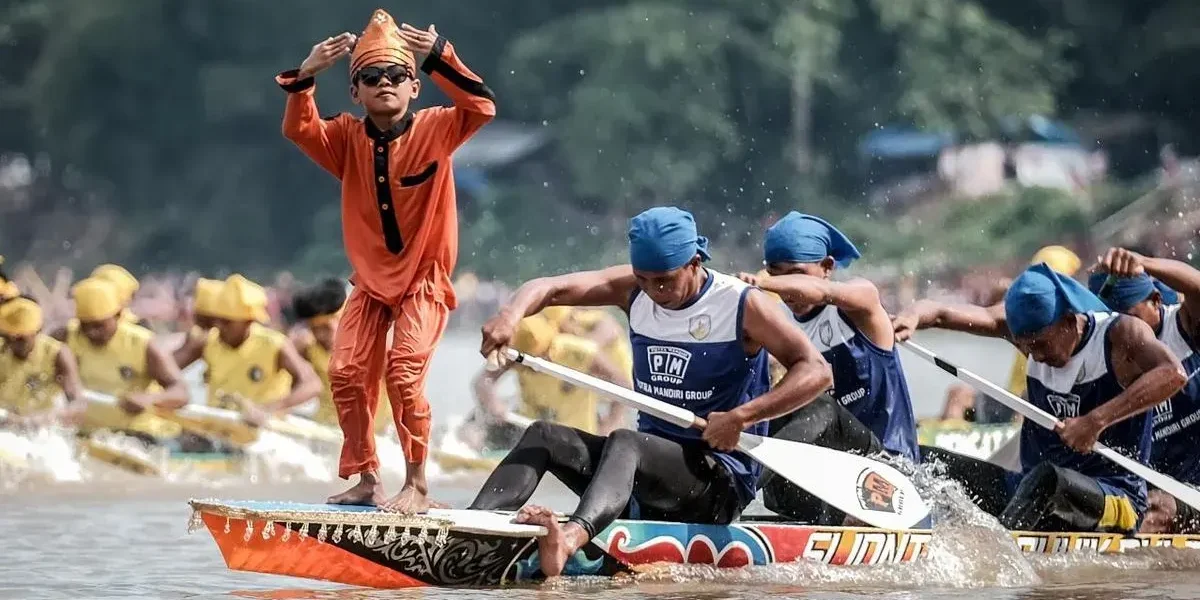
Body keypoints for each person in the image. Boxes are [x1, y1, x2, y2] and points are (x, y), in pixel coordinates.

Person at [469, 206, 833, 577]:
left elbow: (817, 370)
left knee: (627, 440)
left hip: (716, 480)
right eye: (643, 279)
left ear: (694, 262)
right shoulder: (633, 291)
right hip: (643, 474)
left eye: (664, 280)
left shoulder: (740, 304)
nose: (654, 291)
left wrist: (743, 417)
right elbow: (549, 288)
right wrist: (510, 316)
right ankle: (468, 531)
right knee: (543, 435)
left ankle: (570, 539)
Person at [276, 9, 495, 511]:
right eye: (370, 77)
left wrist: (440, 57)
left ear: (414, 87)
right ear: (355, 93)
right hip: (371, 283)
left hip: (425, 280)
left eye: (397, 75)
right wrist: (304, 77)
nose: (385, 84)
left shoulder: (440, 128)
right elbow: (300, 129)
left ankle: (417, 484)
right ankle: (366, 478)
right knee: (347, 372)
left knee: (403, 372)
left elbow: (481, 106)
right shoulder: (346, 139)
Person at [893, 263, 1187, 532]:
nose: (1037, 356)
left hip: (1114, 498)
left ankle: (998, 556)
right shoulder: (1026, 331)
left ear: (1070, 320)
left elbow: (1172, 374)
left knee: (1049, 481)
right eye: (1027, 348)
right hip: (1029, 490)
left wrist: (1095, 421)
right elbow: (942, 313)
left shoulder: (1120, 334)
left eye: (1043, 344)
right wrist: (912, 316)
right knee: (923, 457)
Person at [735, 211, 920, 523]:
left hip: (886, 477)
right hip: (824, 482)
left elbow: (824, 294)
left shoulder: (862, 303)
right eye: (774, 273)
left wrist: (765, 283)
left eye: (794, 274)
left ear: (827, 267)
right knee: (763, 404)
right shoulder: (780, 326)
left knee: (820, 406)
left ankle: (736, 492)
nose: (785, 287)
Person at [1086, 248, 1200, 533]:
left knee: (1156, 509)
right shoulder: (1106, 344)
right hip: (1151, 488)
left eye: (1129, 316)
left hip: (1189, 494)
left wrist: (1145, 263)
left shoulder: (1185, 328)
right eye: (1111, 318)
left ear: (1156, 301)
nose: (1121, 328)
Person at [174, 275, 321, 426]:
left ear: (248, 322)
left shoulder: (274, 344)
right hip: (220, 429)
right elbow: (166, 370)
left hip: (263, 432)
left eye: (227, 322)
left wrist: (269, 409)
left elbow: (312, 384)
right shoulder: (207, 341)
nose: (219, 327)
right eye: (217, 320)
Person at [470, 312, 630, 447]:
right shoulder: (515, 354)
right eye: (525, 363)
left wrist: (609, 428)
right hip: (531, 428)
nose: (530, 367)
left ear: (549, 346)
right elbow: (482, 381)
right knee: (475, 432)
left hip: (577, 436)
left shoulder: (578, 350)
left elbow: (622, 384)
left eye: (538, 358)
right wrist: (494, 405)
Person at [65, 278, 189, 444]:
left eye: (99, 325)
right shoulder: (66, 337)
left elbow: (180, 392)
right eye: (85, 325)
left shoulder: (143, 343)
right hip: (88, 433)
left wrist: (148, 399)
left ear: (118, 315)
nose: (92, 332)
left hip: (138, 434)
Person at [290, 278, 393, 432]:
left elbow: (404, 389)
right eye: (314, 328)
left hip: (373, 433)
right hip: (326, 428)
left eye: (326, 327)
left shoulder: (375, 347)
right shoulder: (307, 347)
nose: (320, 335)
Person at [0, 297, 85, 426]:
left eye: (21, 338)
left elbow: (77, 405)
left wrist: (45, 419)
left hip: (40, 431)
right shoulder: (2, 349)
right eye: (8, 337)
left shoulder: (57, 354)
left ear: (38, 331)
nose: (13, 344)